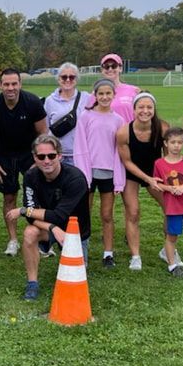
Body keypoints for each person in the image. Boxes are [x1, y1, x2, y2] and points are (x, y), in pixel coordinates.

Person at [6, 134, 91, 301]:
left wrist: (23, 210)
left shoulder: (76, 178)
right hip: (50, 227)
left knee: (75, 277)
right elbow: (33, 218)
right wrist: (52, 228)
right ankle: (32, 283)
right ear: (34, 157)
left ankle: (54, 247)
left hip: (76, 232)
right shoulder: (30, 176)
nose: (47, 161)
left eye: (51, 156)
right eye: (41, 156)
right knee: (30, 233)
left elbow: (58, 215)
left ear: (60, 155)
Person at [0, 67, 48, 256]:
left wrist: (38, 160)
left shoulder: (32, 102)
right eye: (6, 84)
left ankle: (41, 240)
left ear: (20, 84)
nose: (10, 88)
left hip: (29, 154)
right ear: (0, 85)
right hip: (5, 156)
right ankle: (13, 240)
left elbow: (43, 134)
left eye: (14, 83)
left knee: (36, 196)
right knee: (9, 197)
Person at [73, 79, 125, 268]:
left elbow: (119, 151)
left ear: (113, 95)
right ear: (95, 95)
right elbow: (80, 145)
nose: (104, 97)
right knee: (83, 214)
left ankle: (108, 253)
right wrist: (83, 174)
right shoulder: (86, 117)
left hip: (108, 174)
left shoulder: (118, 120)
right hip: (88, 173)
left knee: (106, 215)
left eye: (108, 94)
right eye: (100, 94)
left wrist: (118, 180)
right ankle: (81, 251)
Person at [116, 92, 169, 271]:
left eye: (149, 107)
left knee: (170, 209)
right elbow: (127, 162)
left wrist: (169, 180)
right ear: (134, 109)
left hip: (156, 173)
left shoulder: (162, 128)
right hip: (133, 174)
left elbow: (170, 156)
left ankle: (168, 249)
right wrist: (147, 179)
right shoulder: (124, 132)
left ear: (154, 110)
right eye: (141, 107)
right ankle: (135, 256)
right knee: (133, 213)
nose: (145, 111)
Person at [153, 127, 183, 279]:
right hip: (173, 207)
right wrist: (169, 188)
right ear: (166, 144)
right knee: (171, 236)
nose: (176, 146)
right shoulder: (159, 164)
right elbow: (157, 183)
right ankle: (172, 265)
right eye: (173, 142)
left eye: (179, 142)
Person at [43, 62, 91, 166]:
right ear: (59, 79)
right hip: (57, 155)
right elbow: (46, 129)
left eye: (72, 77)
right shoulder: (50, 101)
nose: (68, 80)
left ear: (76, 79)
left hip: (79, 154)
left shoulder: (86, 98)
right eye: (64, 77)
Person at [98, 53, 140, 124]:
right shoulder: (95, 94)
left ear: (120, 68)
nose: (110, 69)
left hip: (128, 134)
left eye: (114, 66)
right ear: (102, 70)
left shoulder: (134, 91)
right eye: (106, 66)